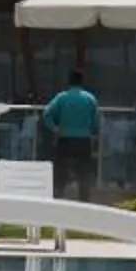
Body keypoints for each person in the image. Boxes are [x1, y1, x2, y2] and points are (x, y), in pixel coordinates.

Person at [43, 69, 102, 202]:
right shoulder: (90, 98)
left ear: (69, 81)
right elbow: (96, 121)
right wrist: (92, 132)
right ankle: (84, 201)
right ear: (82, 82)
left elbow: (46, 113)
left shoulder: (62, 97)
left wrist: (54, 128)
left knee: (61, 170)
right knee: (84, 172)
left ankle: (58, 198)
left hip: (65, 138)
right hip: (84, 140)